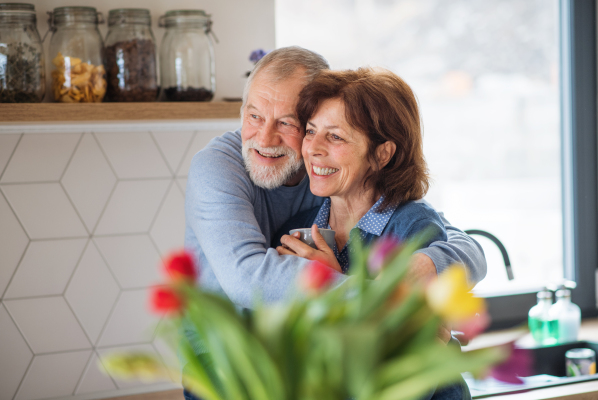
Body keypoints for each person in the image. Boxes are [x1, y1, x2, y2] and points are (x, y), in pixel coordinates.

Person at [183, 46, 484, 399]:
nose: (265, 138)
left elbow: (446, 238)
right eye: (254, 116)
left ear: (380, 153)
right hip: (224, 373)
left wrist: (440, 262)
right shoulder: (237, 179)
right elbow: (248, 280)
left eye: (289, 123)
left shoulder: (339, 187)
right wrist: (387, 303)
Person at [273, 67, 470, 399]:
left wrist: (333, 284)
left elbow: (413, 372)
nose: (313, 149)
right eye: (310, 131)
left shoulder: (413, 229)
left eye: (334, 136)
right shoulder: (296, 232)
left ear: (382, 154)